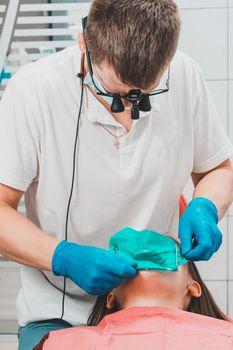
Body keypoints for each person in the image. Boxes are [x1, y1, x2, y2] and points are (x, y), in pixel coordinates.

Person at [0, 0, 233, 349]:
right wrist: (62, 257)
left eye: (146, 95)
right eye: (116, 94)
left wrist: (207, 206)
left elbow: (218, 167)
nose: (130, 108)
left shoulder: (185, 75)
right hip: (62, 314)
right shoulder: (34, 91)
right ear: (84, 44)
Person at [34, 229, 233, 349]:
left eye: (161, 249)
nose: (146, 249)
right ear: (110, 296)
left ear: (192, 288)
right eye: (134, 254)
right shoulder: (62, 344)